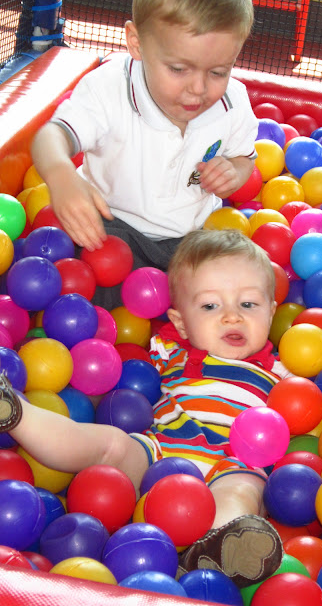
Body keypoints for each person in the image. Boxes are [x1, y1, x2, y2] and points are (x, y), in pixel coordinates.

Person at [0, 229, 288, 588]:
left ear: (271, 312)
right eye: (210, 306)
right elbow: (105, 382)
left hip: (231, 463)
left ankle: (211, 552)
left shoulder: (282, 373)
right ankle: (16, 412)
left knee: (244, 491)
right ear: (181, 323)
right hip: (159, 452)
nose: (232, 317)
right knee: (111, 444)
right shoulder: (171, 352)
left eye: (248, 304)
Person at [31, 0, 258, 309]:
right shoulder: (109, 89)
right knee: (84, 289)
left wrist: (234, 172)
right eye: (178, 69)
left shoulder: (232, 103)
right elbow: (50, 136)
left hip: (195, 239)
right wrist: (60, 176)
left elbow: (245, 158)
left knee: (244, 289)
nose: (198, 88)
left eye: (218, 71)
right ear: (136, 43)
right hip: (111, 229)